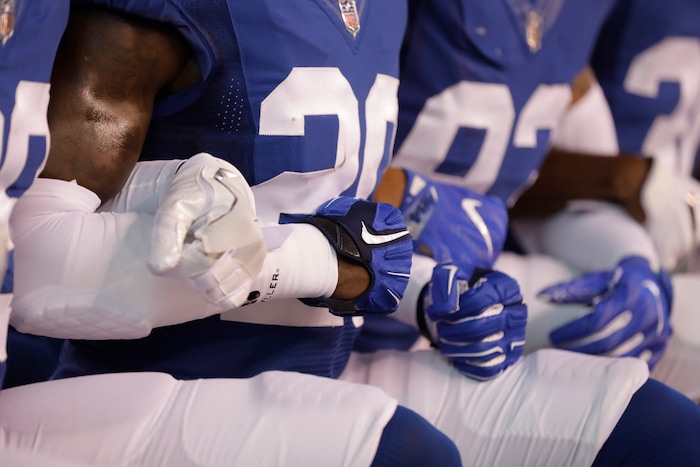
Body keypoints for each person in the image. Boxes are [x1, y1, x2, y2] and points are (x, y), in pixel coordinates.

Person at [9, 1, 700, 465]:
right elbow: (42, 258)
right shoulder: (155, 17)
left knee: (654, 427)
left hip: (329, 352)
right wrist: (328, 256)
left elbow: (329, 220)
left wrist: (422, 286)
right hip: (155, 374)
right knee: (404, 454)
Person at [0, 1, 462, 466]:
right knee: (408, 453)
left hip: (321, 372)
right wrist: (319, 261)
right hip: (146, 386)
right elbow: (34, 249)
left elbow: (312, 194)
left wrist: (422, 288)